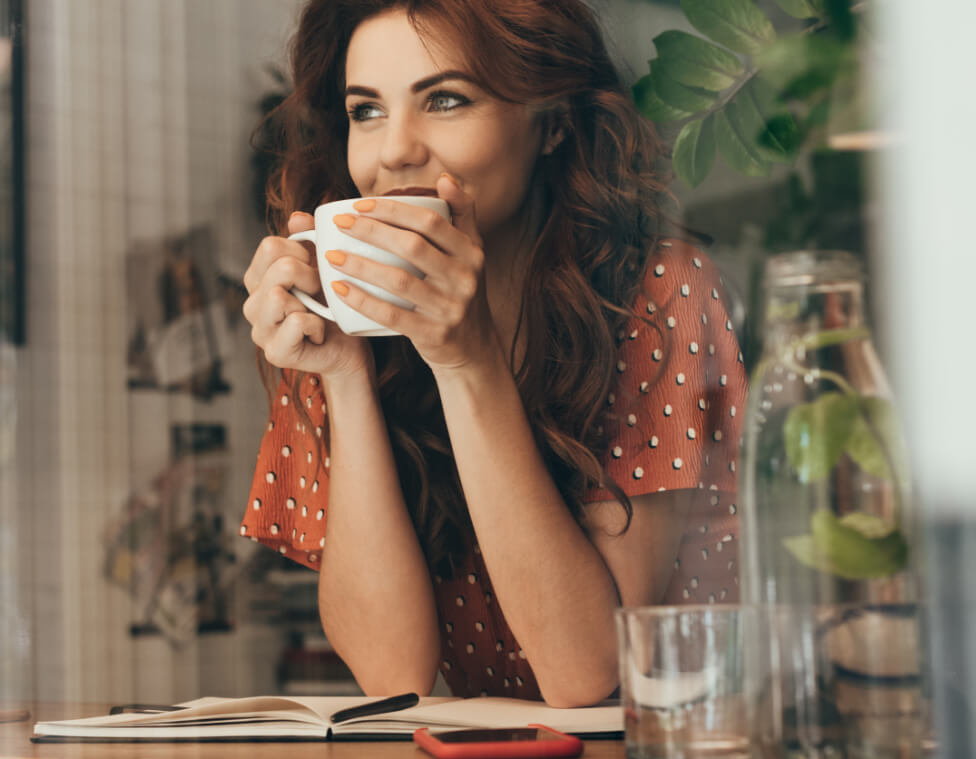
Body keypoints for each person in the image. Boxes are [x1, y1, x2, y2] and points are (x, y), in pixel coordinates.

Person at [239, 0, 747, 707]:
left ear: (553, 123)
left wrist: (465, 361)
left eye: (444, 100)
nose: (394, 152)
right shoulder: (341, 317)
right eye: (366, 111)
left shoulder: (658, 293)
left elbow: (584, 672)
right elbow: (393, 676)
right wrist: (343, 375)